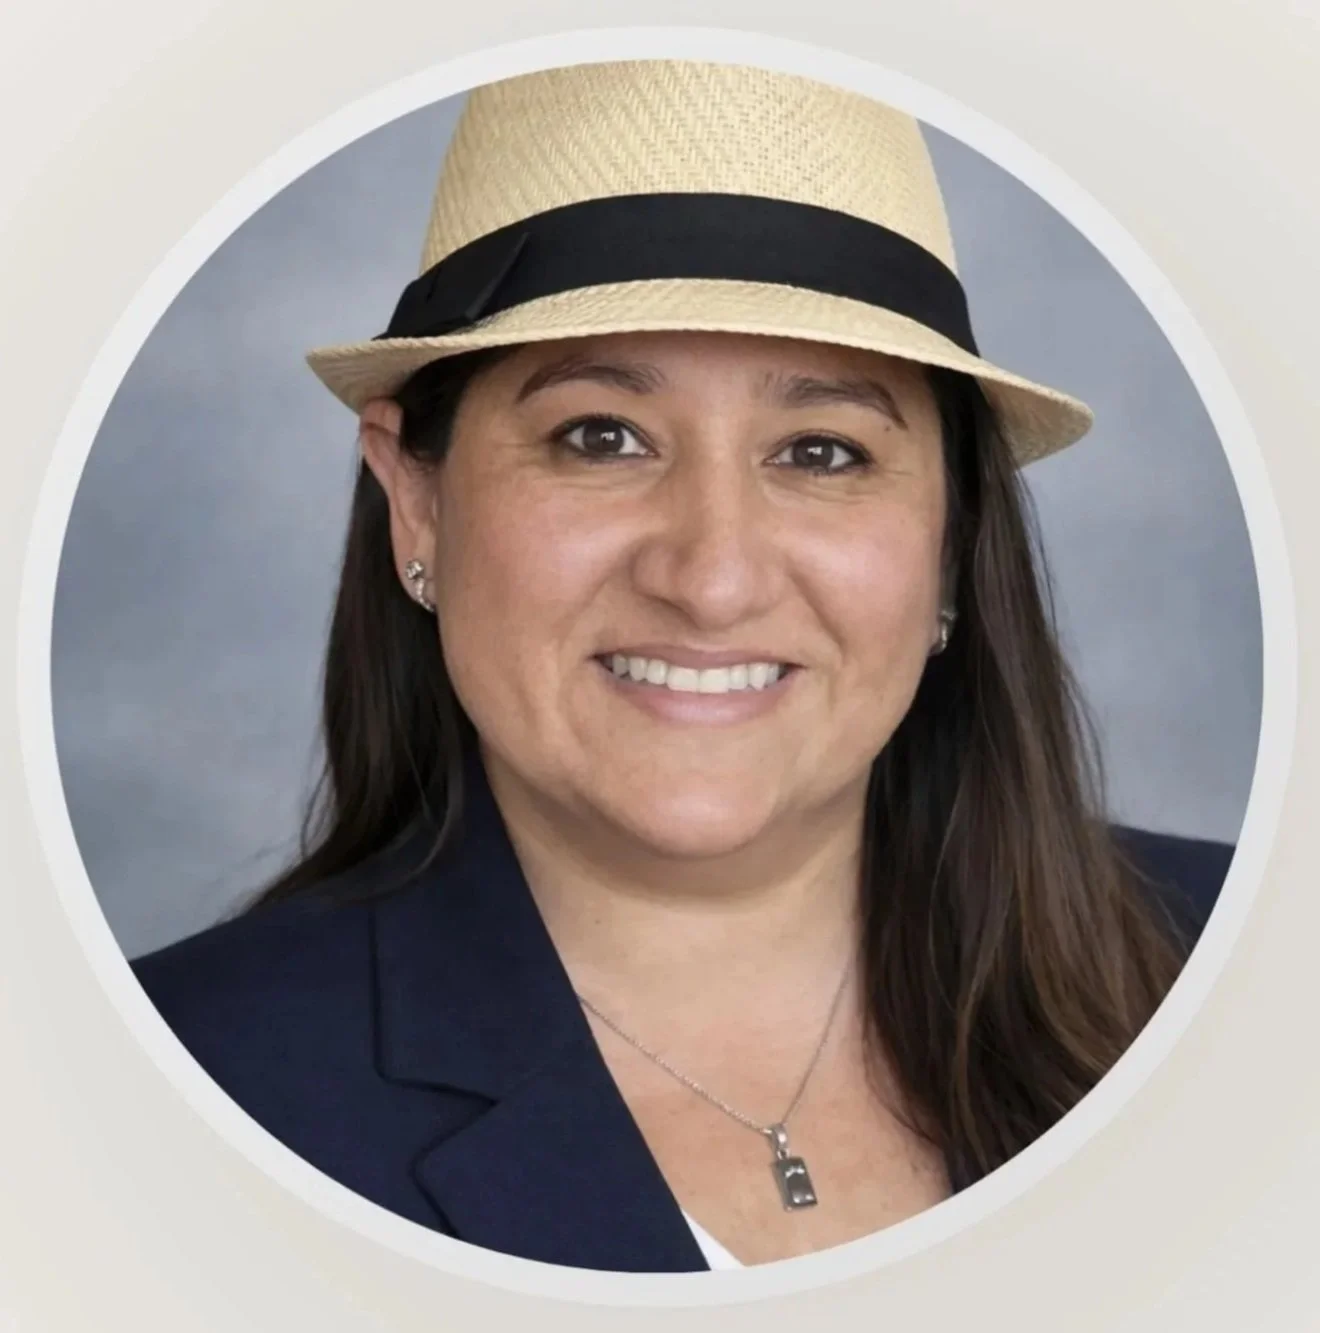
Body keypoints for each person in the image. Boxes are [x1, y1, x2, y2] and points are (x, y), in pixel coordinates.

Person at [130, 59, 1233, 1273]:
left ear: (954, 542)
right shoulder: (175, 1086)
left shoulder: (1256, 975)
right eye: (599, 436)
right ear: (417, 506)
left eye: (821, 451)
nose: (712, 577)